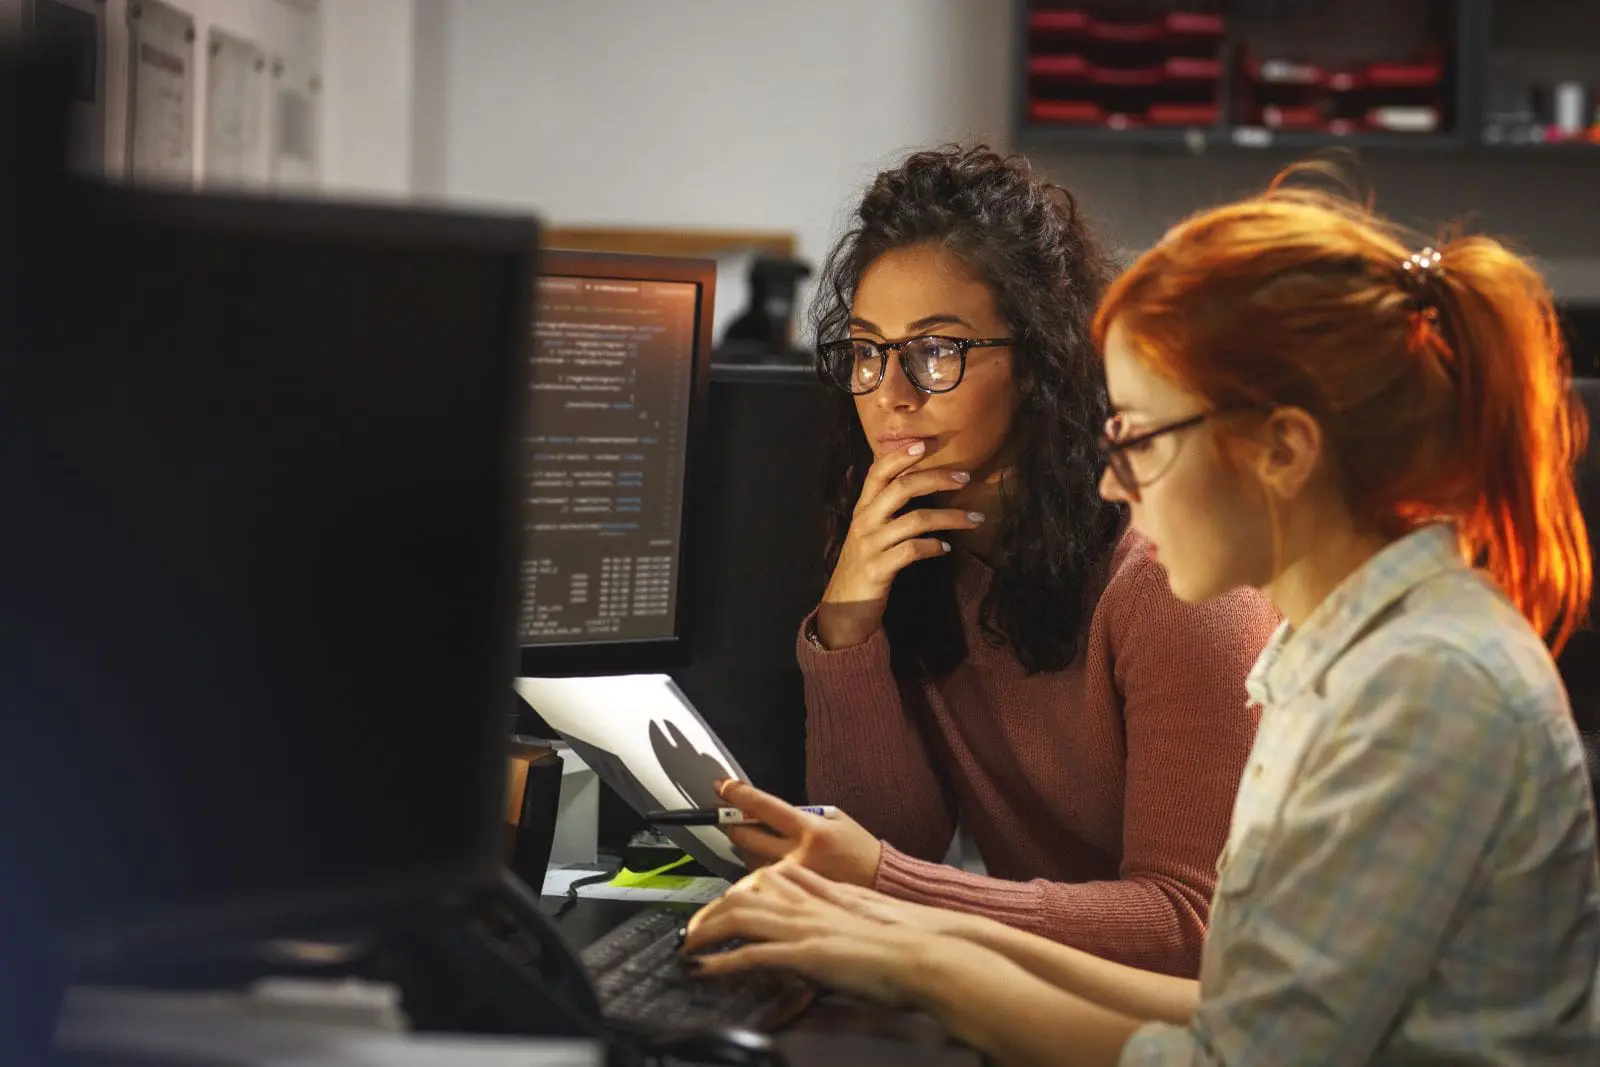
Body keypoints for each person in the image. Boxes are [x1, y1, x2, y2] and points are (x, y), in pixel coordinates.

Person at [683, 167, 1600, 1065]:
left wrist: (919, 950)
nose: (1116, 481)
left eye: (1143, 438)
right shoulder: (1334, 655)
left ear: (1283, 450)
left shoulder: (1424, 687)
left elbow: (1235, 1046)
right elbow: (1239, 1003)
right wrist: (893, 929)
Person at [725, 145, 1279, 977]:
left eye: (937, 350)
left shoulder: (1174, 578)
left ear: (1040, 360)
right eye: (869, 350)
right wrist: (848, 626)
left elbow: (1193, 927)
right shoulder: (915, 546)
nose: (891, 393)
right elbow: (893, 842)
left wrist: (883, 884)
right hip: (1046, 1003)